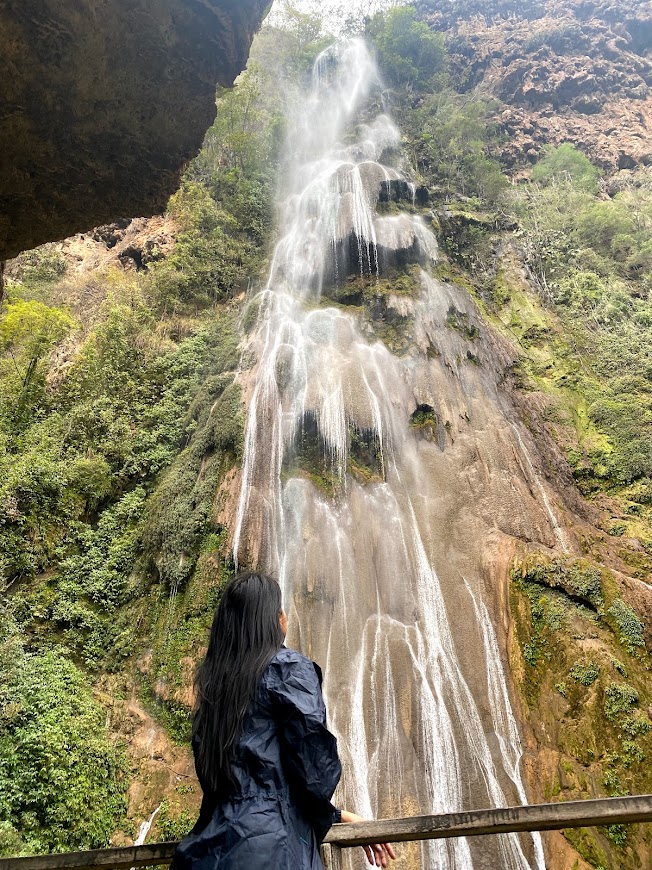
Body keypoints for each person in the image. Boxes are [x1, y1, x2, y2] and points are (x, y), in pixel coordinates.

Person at [171, 571, 395, 870]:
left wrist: (336, 815)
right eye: (280, 609)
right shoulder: (287, 669)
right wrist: (325, 810)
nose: (285, 615)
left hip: (206, 852)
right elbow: (313, 768)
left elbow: (238, 786)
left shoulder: (213, 687)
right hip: (272, 851)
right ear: (274, 620)